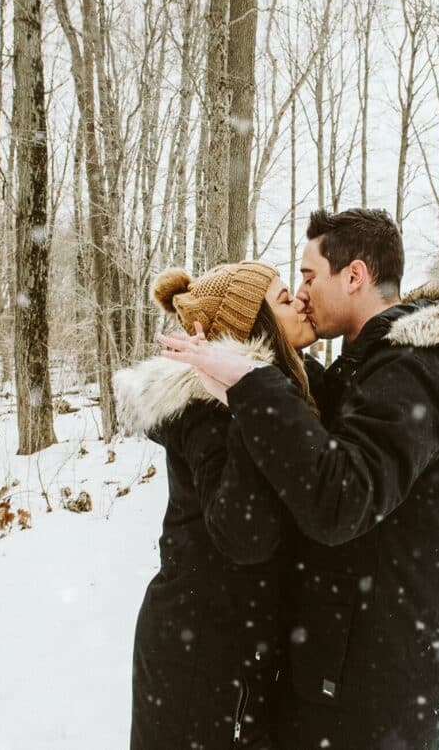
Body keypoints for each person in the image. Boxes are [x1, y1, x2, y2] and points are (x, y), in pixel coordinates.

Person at [160, 208, 439, 750]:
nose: (304, 294)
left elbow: (341, 499)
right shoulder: (372, 367)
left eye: (310, 277)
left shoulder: (410, 371)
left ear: (355, 276)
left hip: (376, 686)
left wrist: (252, 382)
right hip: (350, 670)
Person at [113, 260, 317, 750]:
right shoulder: (210, 408)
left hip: (232, 647)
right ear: (253, 328)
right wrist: (243, 400)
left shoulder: (272, 390)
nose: (301, 302)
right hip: (199, 657)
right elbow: (245, 535)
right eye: (285, 298)